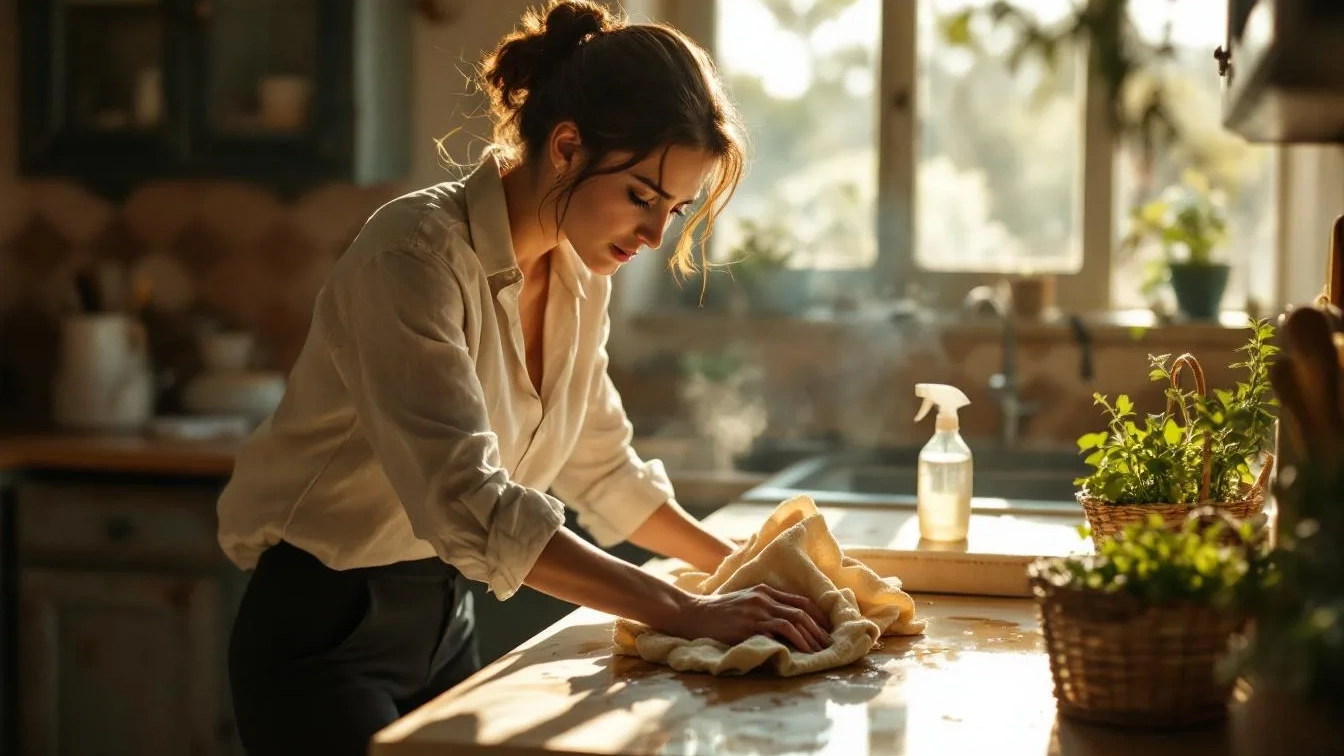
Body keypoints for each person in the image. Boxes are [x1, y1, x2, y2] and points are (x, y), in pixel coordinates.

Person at [217, 2, 831, 754]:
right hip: (322, 636)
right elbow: (467, 500)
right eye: (641, 195)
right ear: (567, 146)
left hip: (446, 625)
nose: (652, 235)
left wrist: (744, 572)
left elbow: (601, 469)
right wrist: (685, 609)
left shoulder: (581, 273)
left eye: (674, 209)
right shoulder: (413, 256)